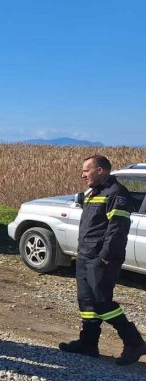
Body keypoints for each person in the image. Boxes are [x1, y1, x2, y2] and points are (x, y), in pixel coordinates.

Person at [59, 155, 146, 365]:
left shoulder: (117, 194)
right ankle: (88, 343)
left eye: (86, 170)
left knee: (102, 302)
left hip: (101, 259)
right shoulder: (93, 193)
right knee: (86, 301)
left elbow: (117, 230)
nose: (83, 175)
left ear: (100, 170)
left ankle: (134, 342)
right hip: (85, 256)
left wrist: (104, 258)